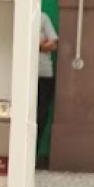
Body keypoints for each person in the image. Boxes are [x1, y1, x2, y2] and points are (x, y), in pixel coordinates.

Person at [38, 11, 58, 162]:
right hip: (23, 75)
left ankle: (35, 153)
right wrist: (39, 42)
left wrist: (38, 45)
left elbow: (52, 44)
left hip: (43, 74)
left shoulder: (43, 17)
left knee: (41, 114)